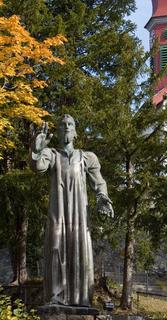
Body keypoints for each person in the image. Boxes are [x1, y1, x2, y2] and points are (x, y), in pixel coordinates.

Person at [30, 114, 113, 307]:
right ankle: (55, 298)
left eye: (70, 124)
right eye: (62, 124)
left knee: (79, 251)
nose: (66, 127)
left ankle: (81, 299)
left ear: (75, 132)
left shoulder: (86, 157)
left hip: (79, 215)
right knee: (55, 247)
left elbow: (99, 182)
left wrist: (102, 199)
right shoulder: (51, 155)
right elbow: (37, 166)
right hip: (57, 213)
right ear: (58, 131)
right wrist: (36, 149)